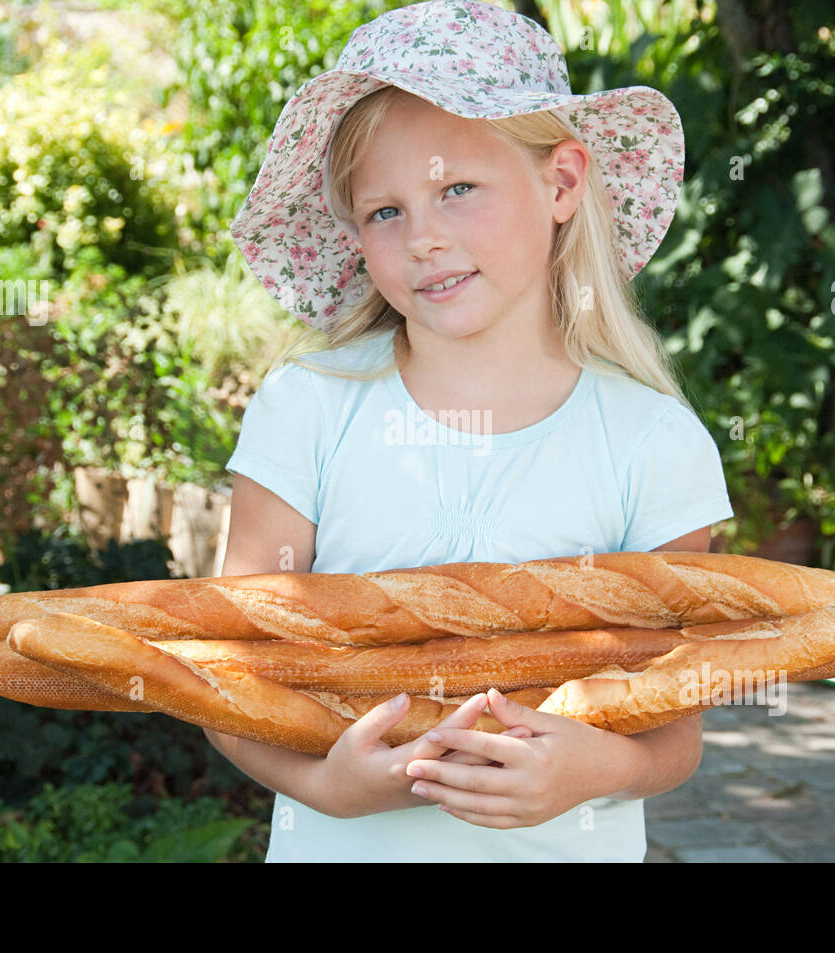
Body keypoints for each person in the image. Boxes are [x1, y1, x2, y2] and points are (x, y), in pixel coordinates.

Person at [204, 0, 734, 862]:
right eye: (384, 212)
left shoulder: (653, 443)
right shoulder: (306, 408)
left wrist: (590, 765)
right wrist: (323, 787)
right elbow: (229, 675)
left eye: (457, 189)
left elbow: (673, 735)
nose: (424, 239)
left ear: (562, 183)